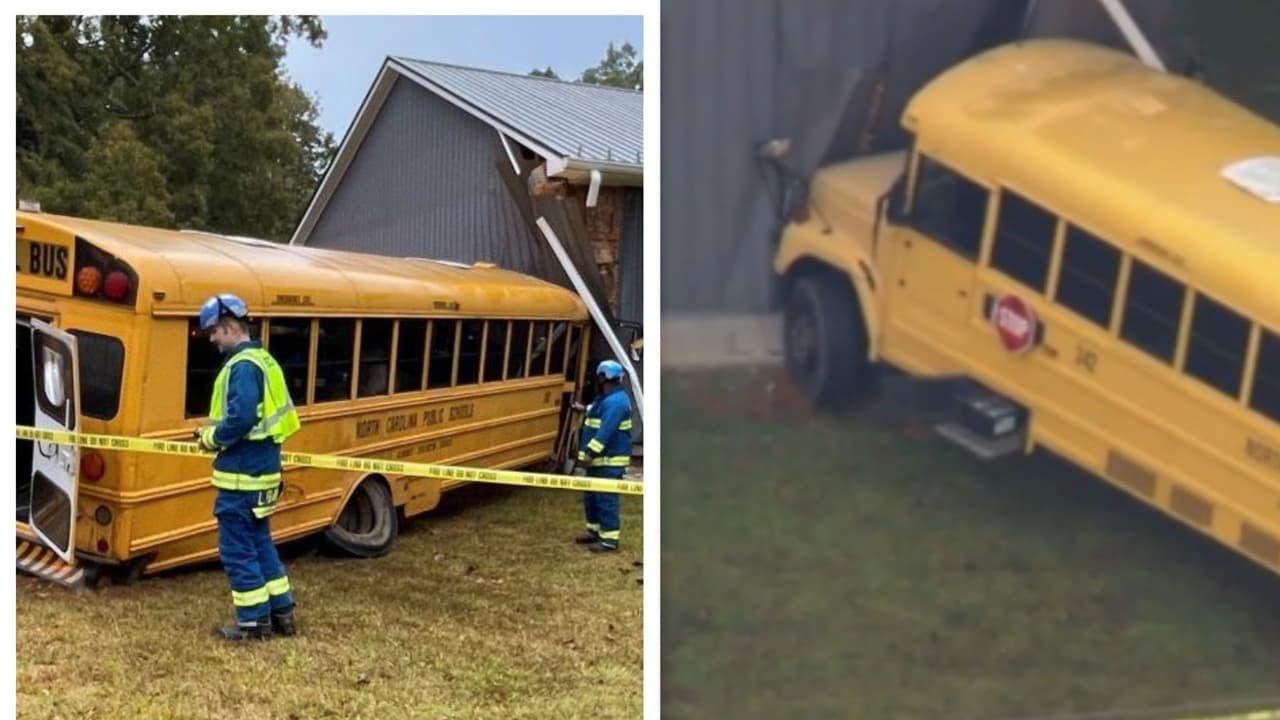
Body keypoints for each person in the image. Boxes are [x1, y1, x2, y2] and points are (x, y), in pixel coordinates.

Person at [194, 293, 302, 641]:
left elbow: (240, 418)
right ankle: (281, 611)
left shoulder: (241, 367)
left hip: (242, 475)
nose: (211, 340)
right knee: (260, 543)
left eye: (213, 332)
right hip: (265, 471)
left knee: (237, 549)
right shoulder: (264, 360)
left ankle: (254, 623)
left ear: (228, 327)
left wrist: (211, 437)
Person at [573, 359, 633, 553]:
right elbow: (597, 409)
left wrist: (590, 452)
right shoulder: (607, 399)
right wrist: (583, 409)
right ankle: (595, 531)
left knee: (605, 498)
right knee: (591, 496)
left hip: (609, 461)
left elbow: (605, 431)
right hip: (599, 461)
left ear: (603, 377)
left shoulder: (616, 402)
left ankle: (609, 540)